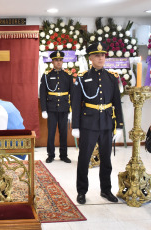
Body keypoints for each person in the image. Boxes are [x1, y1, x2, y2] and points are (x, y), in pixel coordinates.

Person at [71, 42, 123, 204]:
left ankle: (106, 190)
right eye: (97, 56)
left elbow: (117, 103)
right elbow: (76, 102)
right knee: (84, 159)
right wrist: (75, 126)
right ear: (90, 58)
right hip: (89, 124)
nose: (101, 58)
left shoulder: (112, 78)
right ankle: (81, 191)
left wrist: (119, 125)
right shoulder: (83, 77)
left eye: (103, 55)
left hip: (107, 123)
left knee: (106, 159)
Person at [39, 51, 72, 164]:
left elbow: (72, 93)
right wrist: (44, 109)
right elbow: (42, 93)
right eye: (56, 60)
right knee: (51, 133)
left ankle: (64, 155)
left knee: (64, 133)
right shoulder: (47, 75)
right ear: (52, 61)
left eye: (60, 60)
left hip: (64, 108)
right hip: (51, 108)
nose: (59, 62)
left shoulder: (67, 75)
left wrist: (71, 109)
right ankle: (51, 155)